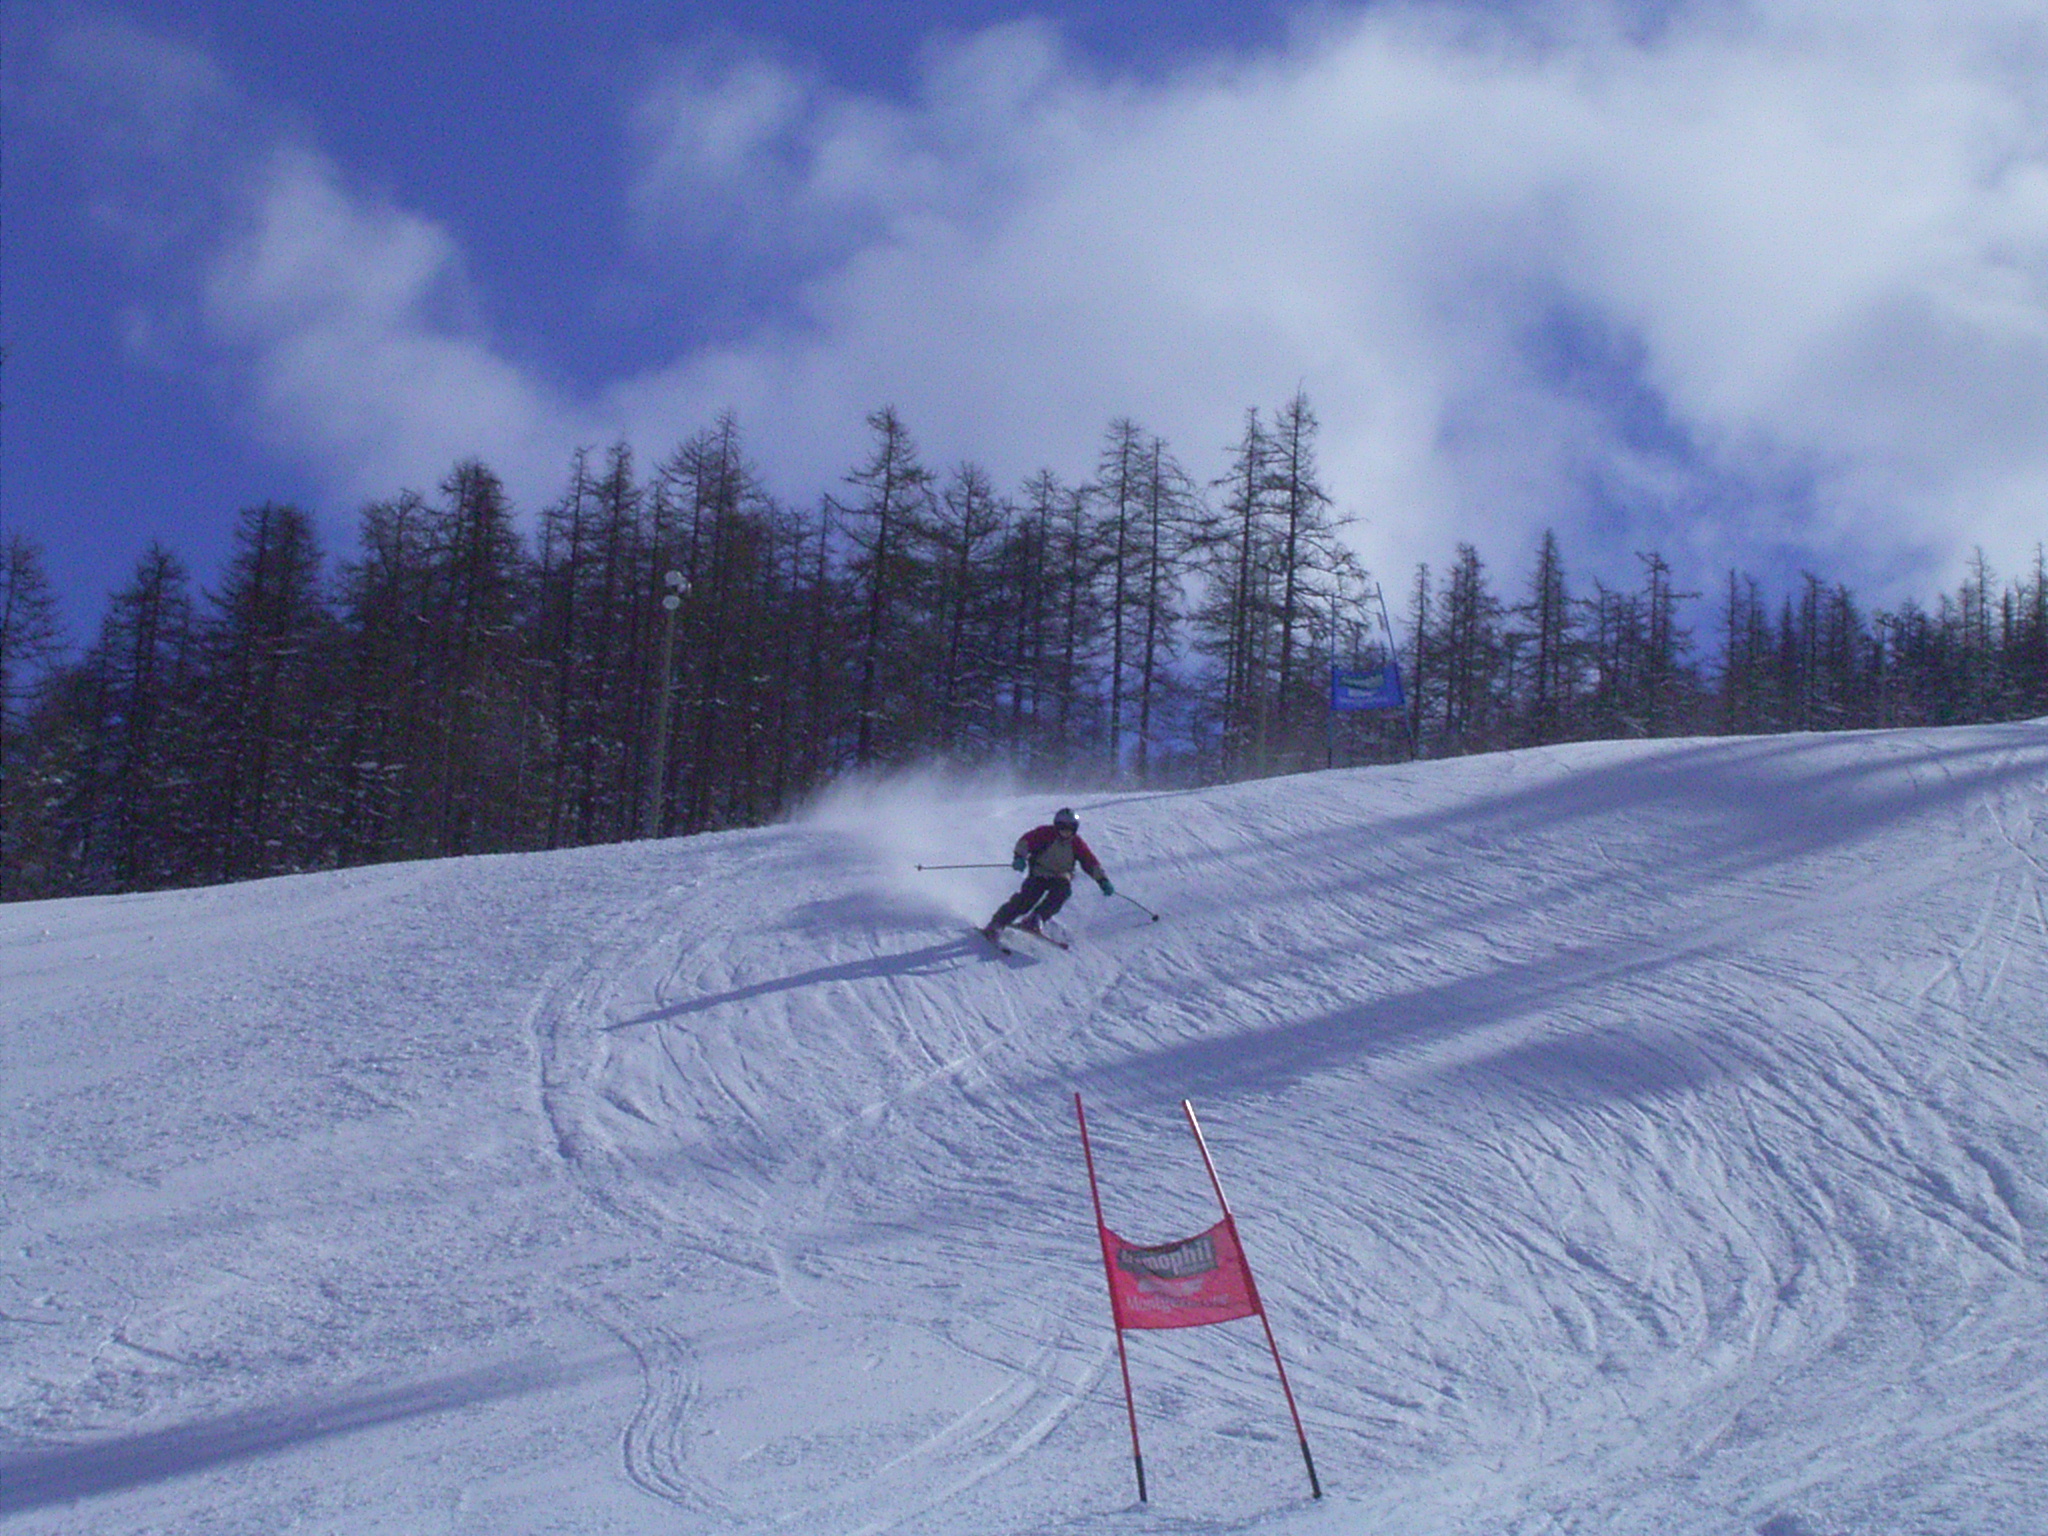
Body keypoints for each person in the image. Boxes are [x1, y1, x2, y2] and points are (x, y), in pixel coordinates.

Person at [982, 807, 1113, 939]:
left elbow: (1090, 862)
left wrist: (1102, 880)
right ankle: (997, 923)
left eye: (1070, 829)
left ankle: (1036, 918)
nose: (1066, 832)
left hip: (1060, 876)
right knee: (1026, 900)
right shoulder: (1045, 834)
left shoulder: (1076, 843)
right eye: (1062, 828)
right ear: (1056, 826)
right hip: (1039, 873)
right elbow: (1025, 842)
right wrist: (1019, 858)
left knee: (1062, 893)